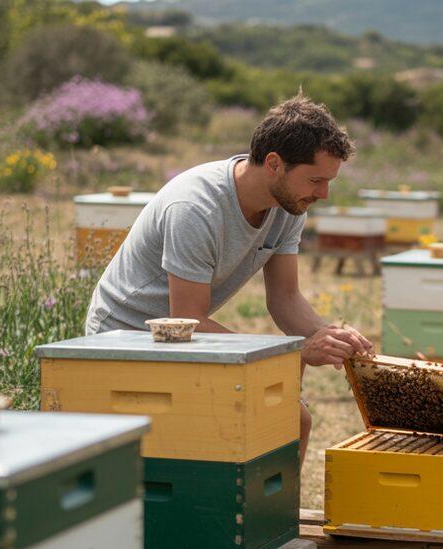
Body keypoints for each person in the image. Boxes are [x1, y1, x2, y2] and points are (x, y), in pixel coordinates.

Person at [85, 95, 373, 463]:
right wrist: (294, 353)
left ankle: (274, 522)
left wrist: (325, 335)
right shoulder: (195, 208)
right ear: (274, 164)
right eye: (316, 179)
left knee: (291, 421)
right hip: (123, 338)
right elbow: (186, 322)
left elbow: (284, 299)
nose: (323, 193)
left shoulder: (289, 205)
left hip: (178, 336)